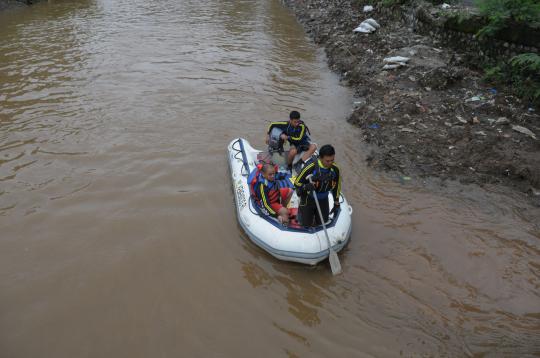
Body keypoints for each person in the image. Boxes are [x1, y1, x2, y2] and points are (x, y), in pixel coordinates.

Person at [294, 144, 341, 227]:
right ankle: (301, 215)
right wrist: (307, 186)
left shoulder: (335, 169)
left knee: (323, 221)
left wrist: (336, 202)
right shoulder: (310, 166)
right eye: (327, 161)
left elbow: (337, 186)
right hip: (309, 198)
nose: (330, 163)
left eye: (332, 160)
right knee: (305, 224)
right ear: (321, 158)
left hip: (323, 199)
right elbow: (297, 183)